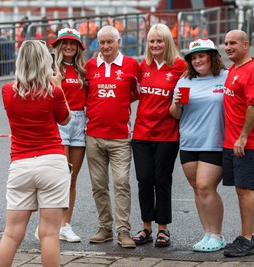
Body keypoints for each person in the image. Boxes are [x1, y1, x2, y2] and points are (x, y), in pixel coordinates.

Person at [0, 40, 72, 267]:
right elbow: (65, 120)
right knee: (49, 234)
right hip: (52, 163)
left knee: (12, 234)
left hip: (21, 163)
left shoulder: (7, 91)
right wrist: (59, 86)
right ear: (45, 62)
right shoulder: (54, 92)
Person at [130, 23, 186, 247]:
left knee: (162, 180)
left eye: (159, 41)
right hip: (142, 133)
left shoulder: (180, 66)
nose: (155, 45)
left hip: (167, 135)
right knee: (144, 179)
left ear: (167, 42)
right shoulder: (142, 66)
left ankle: (163, 228)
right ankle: (146, 227)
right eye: (151, 41)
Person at [169, 38, 228, 252]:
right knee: (197, 189)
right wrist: (177, 104)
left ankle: (218, 235)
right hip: (189, 141)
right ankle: (207, 233)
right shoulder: (185, 80)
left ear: (212, 56)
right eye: (193, 57)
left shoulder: (226, 77)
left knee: (205, 187)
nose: (197, 60)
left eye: (201, 56)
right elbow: (175, 114)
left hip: (215, 142)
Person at [85, 25, 141, 248]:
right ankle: (105, 227)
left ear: (119, 42)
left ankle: (124, 230)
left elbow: (137, 93)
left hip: (119, 138)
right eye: (102, 43)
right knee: (98, 185)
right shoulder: (89, 66)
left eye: (110, 42)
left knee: (120, 183)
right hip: (94, 136)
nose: (106, 46)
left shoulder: (131, 65)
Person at [221, 29, 254, 257]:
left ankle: (247, 240)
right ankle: (252, 234)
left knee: (245, 189)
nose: (228, 47)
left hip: (249, 142)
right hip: (234, 141)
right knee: (241, 190)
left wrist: (243, 137)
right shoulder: (234, 68)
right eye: (225, 43)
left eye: (233, 43)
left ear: (246, 45)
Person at [50, 28, 87, 242]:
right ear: (58, 45)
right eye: (64, 42)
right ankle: (51, 224)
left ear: (79, 47)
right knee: (60, 177)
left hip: (80, 122)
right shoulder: (52, 69)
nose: (69, 46)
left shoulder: (84, 70)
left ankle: (65, 225)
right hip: (60, 122)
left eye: (73, 43)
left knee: (72, 179)